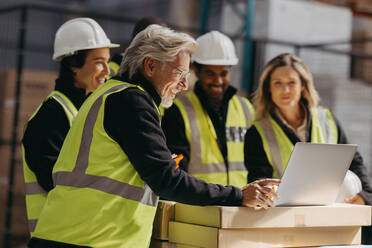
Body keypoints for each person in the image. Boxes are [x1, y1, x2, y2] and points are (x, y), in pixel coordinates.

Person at [28, 25, 280, 248]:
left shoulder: (112, 95)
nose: (184, 84)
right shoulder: (131, 101)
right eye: (180, 74)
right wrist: (237, 195)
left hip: (78, 237)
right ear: (150, 65)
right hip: (89, 239)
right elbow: (166, 181)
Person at [243, 53, 372, 244]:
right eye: (277, 83)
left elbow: (354, 161)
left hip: (332, 214)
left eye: (292, 82)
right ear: (268, 88)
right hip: (287, 222)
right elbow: (258, 181)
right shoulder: (258, 132)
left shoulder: (326, 118)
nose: (285, 89)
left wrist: (366, 195)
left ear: (303, 86)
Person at [22, 17, 119, 235]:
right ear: (73, 65)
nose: (107, 70)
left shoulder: (86, 110)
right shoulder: (51, 115)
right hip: (58, 236)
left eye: (107, 61)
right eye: (99, 62)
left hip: (82, 233)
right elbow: (55, 181)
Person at [162, 31, 255, 188]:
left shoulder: (246, 108)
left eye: (224, 73)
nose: (218, 81)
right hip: (199, 205)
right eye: (210, 74)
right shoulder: (178, 110)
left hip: (242, 202)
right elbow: (177, 170)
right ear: (197, 72)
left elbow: (255, 161)